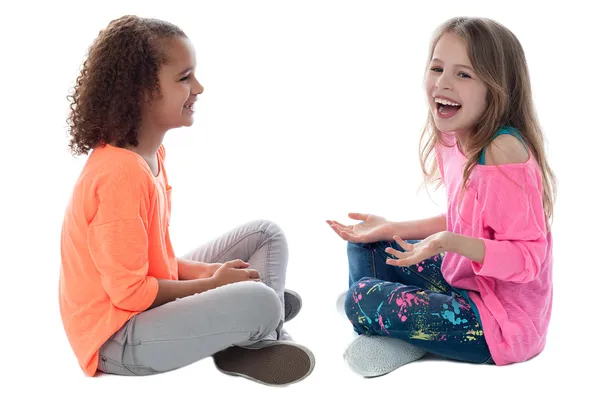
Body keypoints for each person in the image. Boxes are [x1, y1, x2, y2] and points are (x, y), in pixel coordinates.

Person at [59, 15, 314, 386]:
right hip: (116, 339)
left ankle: (251, 330)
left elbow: (154, 265)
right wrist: (213, 286)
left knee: (266, 235)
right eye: (184, 78)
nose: (199, 87)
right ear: (140, 92)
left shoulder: (149, 157)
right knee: (262, 300)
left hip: (141, 310)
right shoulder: (120, 174)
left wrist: (214, 275)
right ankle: (260, 325)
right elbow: (130, 293)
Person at [327, 16, 557, 377]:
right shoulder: (453, 135)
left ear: (497, 88)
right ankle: (402, 326)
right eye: (437, 68)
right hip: (462, 283)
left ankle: (394, 327)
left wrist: (446, 243)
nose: (442, 83)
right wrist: (392, 227)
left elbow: (529, 258)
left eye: (463, 74)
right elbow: (467, 220)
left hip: (498, 324)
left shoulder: (503, 149)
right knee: (366, 244)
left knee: (359, 297)